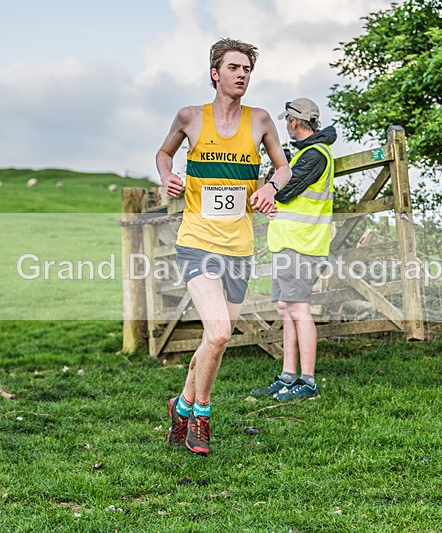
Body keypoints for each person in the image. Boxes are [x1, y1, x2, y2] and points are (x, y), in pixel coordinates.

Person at [156, 38, 292, 456]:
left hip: (239, 247)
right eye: (234, 68)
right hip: (196, 242)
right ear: (215, 73)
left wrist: (270, 186)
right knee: (217, 334)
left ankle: (179, 405)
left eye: (247, 69)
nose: (242, 75)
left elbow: (283, 167)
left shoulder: (261, 121)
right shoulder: (190, 117)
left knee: (215, 339)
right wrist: (168, 177)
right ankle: (201, 414)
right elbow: (164, 153)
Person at [251, 98, 336, 401]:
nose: (286, 124)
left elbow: (285, 190)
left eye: (287, 119)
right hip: (290, 241)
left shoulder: (314, 155)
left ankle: (308, 382)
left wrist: (274, 185)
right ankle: (289, 377)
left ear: (295, 122)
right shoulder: (304, 154)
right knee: (286, 308)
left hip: (303, 243)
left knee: (299, 309)